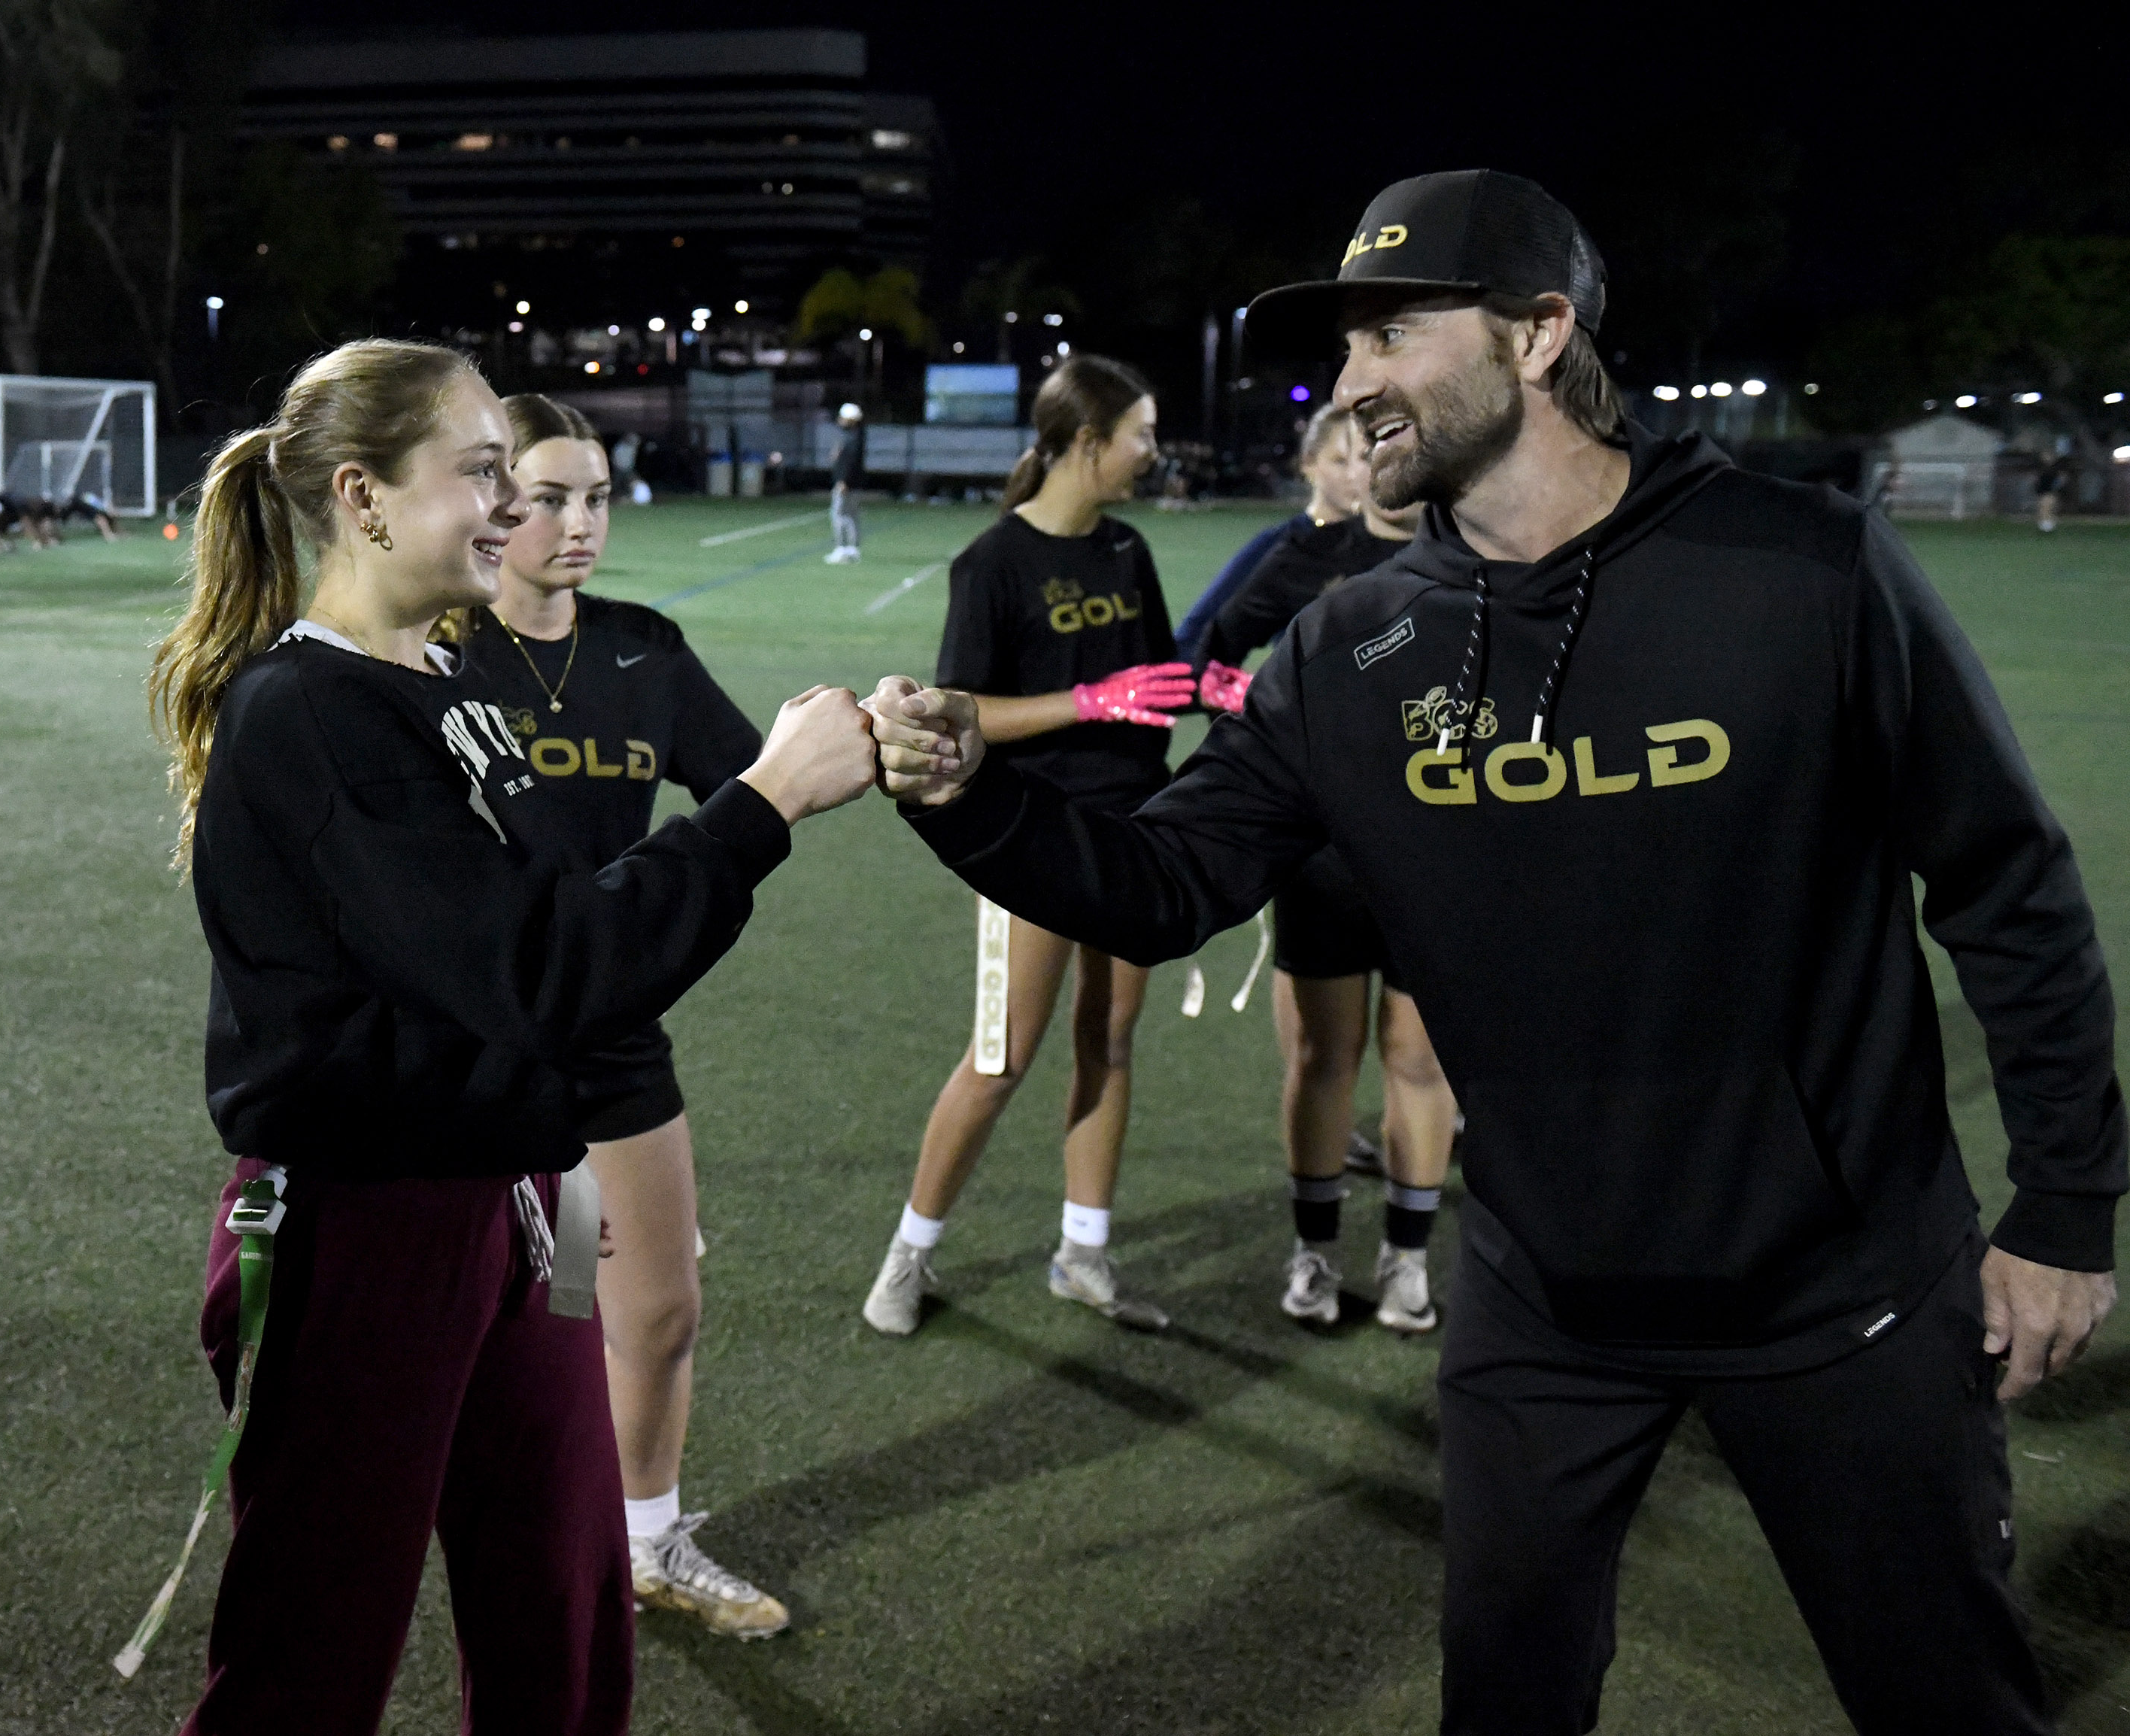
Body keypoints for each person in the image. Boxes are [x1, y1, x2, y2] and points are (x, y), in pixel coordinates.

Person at [868, 170, 2122, 1734]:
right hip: (1543, 1296)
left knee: (1945, 1699)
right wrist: (971, 799)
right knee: (1506, 1703)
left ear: (1541, 334)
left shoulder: (1801, 568)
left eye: (1398, 331)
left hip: (1841, 1288)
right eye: (1348, 343)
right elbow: (1167, 878)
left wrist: (2066, 1205)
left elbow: (2008, 881)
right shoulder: (1352, 644)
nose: (1356, 381)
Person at [146, 337, 875, 1735]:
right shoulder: (309, 711)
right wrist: (761, 803)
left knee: (566, 1594)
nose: (514, 507)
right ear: (362, 499)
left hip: (515, 1205)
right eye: (482, 474)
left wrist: (551, 1153)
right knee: (315, 1647)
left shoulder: (446, 680)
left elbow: (567, 940)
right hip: (360, 1231)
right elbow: (546, 964)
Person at [445, 394, 788, 1640]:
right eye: (547, 496)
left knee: (654, 1308)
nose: (578, 522)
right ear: (492, 499)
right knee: (490, 1329)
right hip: (476, 1042)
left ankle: (647, 1541)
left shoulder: (644, 648)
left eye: (595, 496)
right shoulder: (438, 657)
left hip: (615, 1025)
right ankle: (509, 1536)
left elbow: (756, 792)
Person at [861, 354, 1202, 1338]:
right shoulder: (993, 564)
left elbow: (1159, 682)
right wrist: (1087, 702)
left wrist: (1204, 690)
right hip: (1031, 835)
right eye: (1139, 434)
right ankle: (911, 1251)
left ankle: (1083, 1253)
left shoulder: (1128, 552)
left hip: (1137, 826)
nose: (1152, 451)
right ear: (1087, 444)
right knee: (1002, 1054)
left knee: (1111, 1038)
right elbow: (952, 712)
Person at [1197, 413, 1458, 1334]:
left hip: (1441, 856)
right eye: (1355, 450)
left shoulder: (1475, 549)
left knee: (1422, 1060)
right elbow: (1211, 656)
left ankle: (1408, 1261)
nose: (1374, 461)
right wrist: (1269, 724)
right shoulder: (1314, 556)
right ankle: (1313, 1254)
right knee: (1323, 1056)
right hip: (1325, 858)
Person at [1171, 399, 1367, 665]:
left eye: (1366, 459)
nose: (1354, 475)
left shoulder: (1393, 538)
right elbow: (1198, 634)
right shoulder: (1284, 544)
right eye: (1340, 461)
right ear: (1309, 464)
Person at [824, 402, 865, 565]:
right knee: (852, 516)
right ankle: (852, 549)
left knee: (839, 515)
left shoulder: (852, 438)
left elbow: (850, 461)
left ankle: (842, 548)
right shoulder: (856, 436)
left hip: (847, 483)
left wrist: (843, 481)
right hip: (853, 483)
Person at [2033, 450, 2065, 533]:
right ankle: (2044, 525)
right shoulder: (2040, 467)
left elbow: (2061, 480)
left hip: (2050, 491)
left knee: (2048, 506)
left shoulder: (2057, 469)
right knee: (2042, 507)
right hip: (2042, 491)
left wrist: (2056, 489)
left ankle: (2048, 525)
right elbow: (2037, 480)